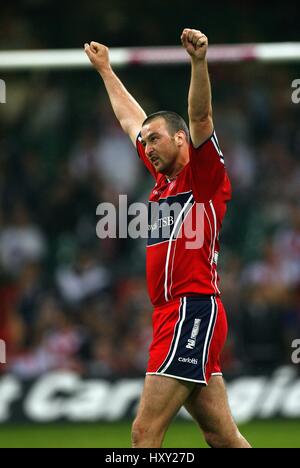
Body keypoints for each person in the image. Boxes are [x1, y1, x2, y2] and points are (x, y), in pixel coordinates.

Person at [84, 28, 251, 448]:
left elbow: (200, 118)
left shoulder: (203, 176)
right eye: (145, 142)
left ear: (180, 140)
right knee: (222, 436)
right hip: (173, 314)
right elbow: (128, 119)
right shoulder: (162, 182)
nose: (147, 146)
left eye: (155, 138)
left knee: (144, 432)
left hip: (190, 311)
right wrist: (105, 70)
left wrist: (198, 63)